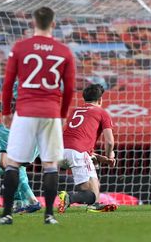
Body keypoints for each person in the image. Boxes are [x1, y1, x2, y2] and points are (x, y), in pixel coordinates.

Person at [0, 6, 76, 226]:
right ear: (54, 24)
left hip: (25, 112)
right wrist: (63, 114)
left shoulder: (21, 47)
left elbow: (8, 83)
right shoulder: (64, 51)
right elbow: (69, 89)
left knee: (12, 163)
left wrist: (5, 112)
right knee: (50, 164)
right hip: (50, 113)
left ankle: (6, 214)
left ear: (33, 23)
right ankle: (49, 215)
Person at [57, 84, 116, 213]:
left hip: (60, 152)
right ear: (100, 100)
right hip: (77, 153)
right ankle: (70, 197)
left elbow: (76, 140)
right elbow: (110, 142)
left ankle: (91, 203)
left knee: (89, 178)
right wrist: (109, 155)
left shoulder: (75, 111)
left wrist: (101, 158)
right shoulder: (101, 112)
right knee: (93, 193)